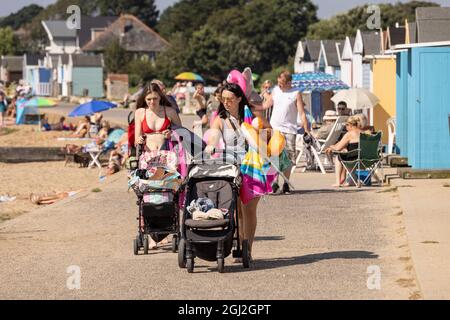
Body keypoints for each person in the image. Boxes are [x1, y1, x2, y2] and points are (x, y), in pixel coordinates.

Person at [205, 82, 272, 262]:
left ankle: (247, 249)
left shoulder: (251, 116)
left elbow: (270, 132)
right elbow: (214, 135)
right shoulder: (220, 119)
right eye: (224, 99)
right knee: (236, 211)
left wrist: (261, 133)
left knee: (249, 210)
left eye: (230, 99)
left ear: (239, 99)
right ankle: (240, 244)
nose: (226, 102)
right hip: (232, 167)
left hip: (253, 166)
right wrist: (211, 145)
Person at [134, 83, 182, 249]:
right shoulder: (140, 113)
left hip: (166, 156)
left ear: (160, 96)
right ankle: (151, 233)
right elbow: (136, 138)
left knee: (167, 193)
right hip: (147, 158)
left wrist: (172, 132)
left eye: (155, 98)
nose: (152, 102)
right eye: (148, 99)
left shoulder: (169, 112)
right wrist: (139, 140)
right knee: (148, 194)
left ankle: (167, 230)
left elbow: (182, 132)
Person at [261, 70, 310, 194]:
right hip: (275, 128)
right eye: (278, 83)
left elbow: (302, 113)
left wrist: (306, 130)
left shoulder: (295, 93)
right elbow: (266, 105)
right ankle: (275, 182)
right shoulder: (276, 90)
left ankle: (286, 183)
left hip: (289, 129)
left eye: (282, 83)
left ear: (289, 83)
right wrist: (251, 105)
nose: (280, 85)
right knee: (273, 156)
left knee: (288, 158)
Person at [325, 116, 363, 187]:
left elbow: (337, 148)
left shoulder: (349, 134)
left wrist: (330, 146)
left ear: (350, 125)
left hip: (354, 160)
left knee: (339, 157)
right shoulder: (363, 133)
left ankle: (338, 182)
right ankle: (352, 180)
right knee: (351, 154)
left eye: (346, 125)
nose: (345, 127)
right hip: (365, 160)